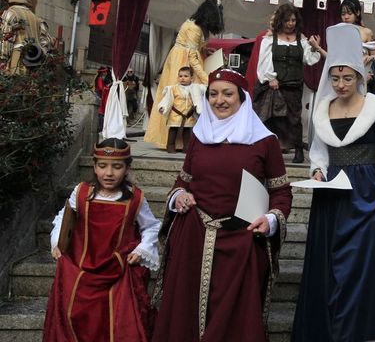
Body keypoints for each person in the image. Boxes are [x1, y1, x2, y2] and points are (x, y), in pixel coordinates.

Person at [151, 69, 292, 342]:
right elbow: (183, 180)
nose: (220, 100)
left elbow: (281, 192)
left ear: (242, 98)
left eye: (228, 94)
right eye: (213, 94)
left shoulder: (264, 141)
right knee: (184, 312)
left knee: (236, 317)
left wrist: (272, 219)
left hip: (241, 241)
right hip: (193, 235)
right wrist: (178, 195)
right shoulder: (199, 136)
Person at [292, 23, 375, 342]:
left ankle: (356, 333)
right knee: (326, 267)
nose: (341, 84)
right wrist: (317, 170)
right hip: (330, 196)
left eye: (347, 77)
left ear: (359, 76)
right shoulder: (322, 110)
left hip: (366, 195)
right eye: (335, 77)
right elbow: (319, 152)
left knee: (358, 269)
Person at [44, 138, 160, 341]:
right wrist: (57, 242)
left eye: (117, 167)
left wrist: (141, 250)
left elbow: (150, 226)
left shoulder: (135, 199)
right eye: (103, 166)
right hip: (81, 266)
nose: (109, 173)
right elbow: (64, 218)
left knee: (120, 320)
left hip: (118, 268)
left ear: (127, 168)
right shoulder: (81, 194)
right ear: (94, 167)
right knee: (74, 312)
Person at [145, 0, 224, 149]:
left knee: (186, 100)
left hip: (181, 58)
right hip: (184, 62)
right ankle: (179, 142)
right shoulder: (195, 28)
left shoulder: (194, 24)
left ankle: (180, 141)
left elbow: (194, 49)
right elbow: (192, 58)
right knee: (184, 99)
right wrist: (204, 78)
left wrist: (204, 50)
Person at [254, 3, 324, 163]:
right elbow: (264, 60)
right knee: (272, 118)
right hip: (275, 84)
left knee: (294, 118)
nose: (290, 23)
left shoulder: (302, 39)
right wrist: (270, 77)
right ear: (281, 20)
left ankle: (298, 149)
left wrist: (314, 48)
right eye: (287, 20)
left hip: (294, 85)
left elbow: (308, 59)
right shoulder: (270, 39)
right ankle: (269, 150)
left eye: (293, 20)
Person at [0, 0, 51, 75]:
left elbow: (6, 38)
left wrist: (2, 59)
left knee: (14, 83)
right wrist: (40, 55)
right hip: (34, 60)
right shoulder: (37, 18)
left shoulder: (11, 13)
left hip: (16, 58)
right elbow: (46, 41)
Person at [156, 66, 205, 153]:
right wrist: (162, 107)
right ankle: (170, 146)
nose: (183, 78)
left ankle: (186, 147)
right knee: (173, 130)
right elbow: (167, 99)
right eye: (180, 76)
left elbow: (204, 91)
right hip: (176, 113)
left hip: (188, 114)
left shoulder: (195, 88)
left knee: (187, 130)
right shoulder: (173, 88)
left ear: (191, 78)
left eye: (186, 76)